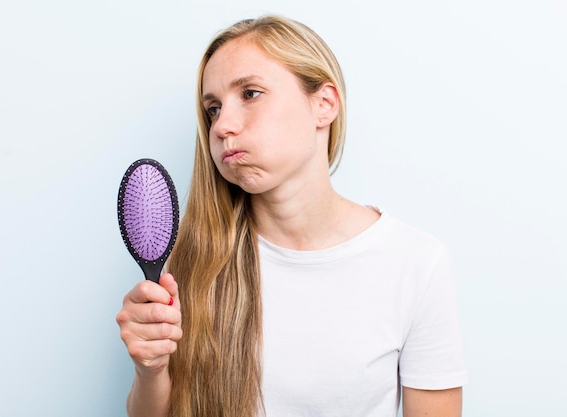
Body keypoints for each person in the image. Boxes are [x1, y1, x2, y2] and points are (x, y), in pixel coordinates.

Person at [116, 15, 468, 417]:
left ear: (323, 104)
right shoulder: (191, 262)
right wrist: (151, 368)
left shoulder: (416, 264)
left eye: (249, 93)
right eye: (212, 109)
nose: (222, 126)